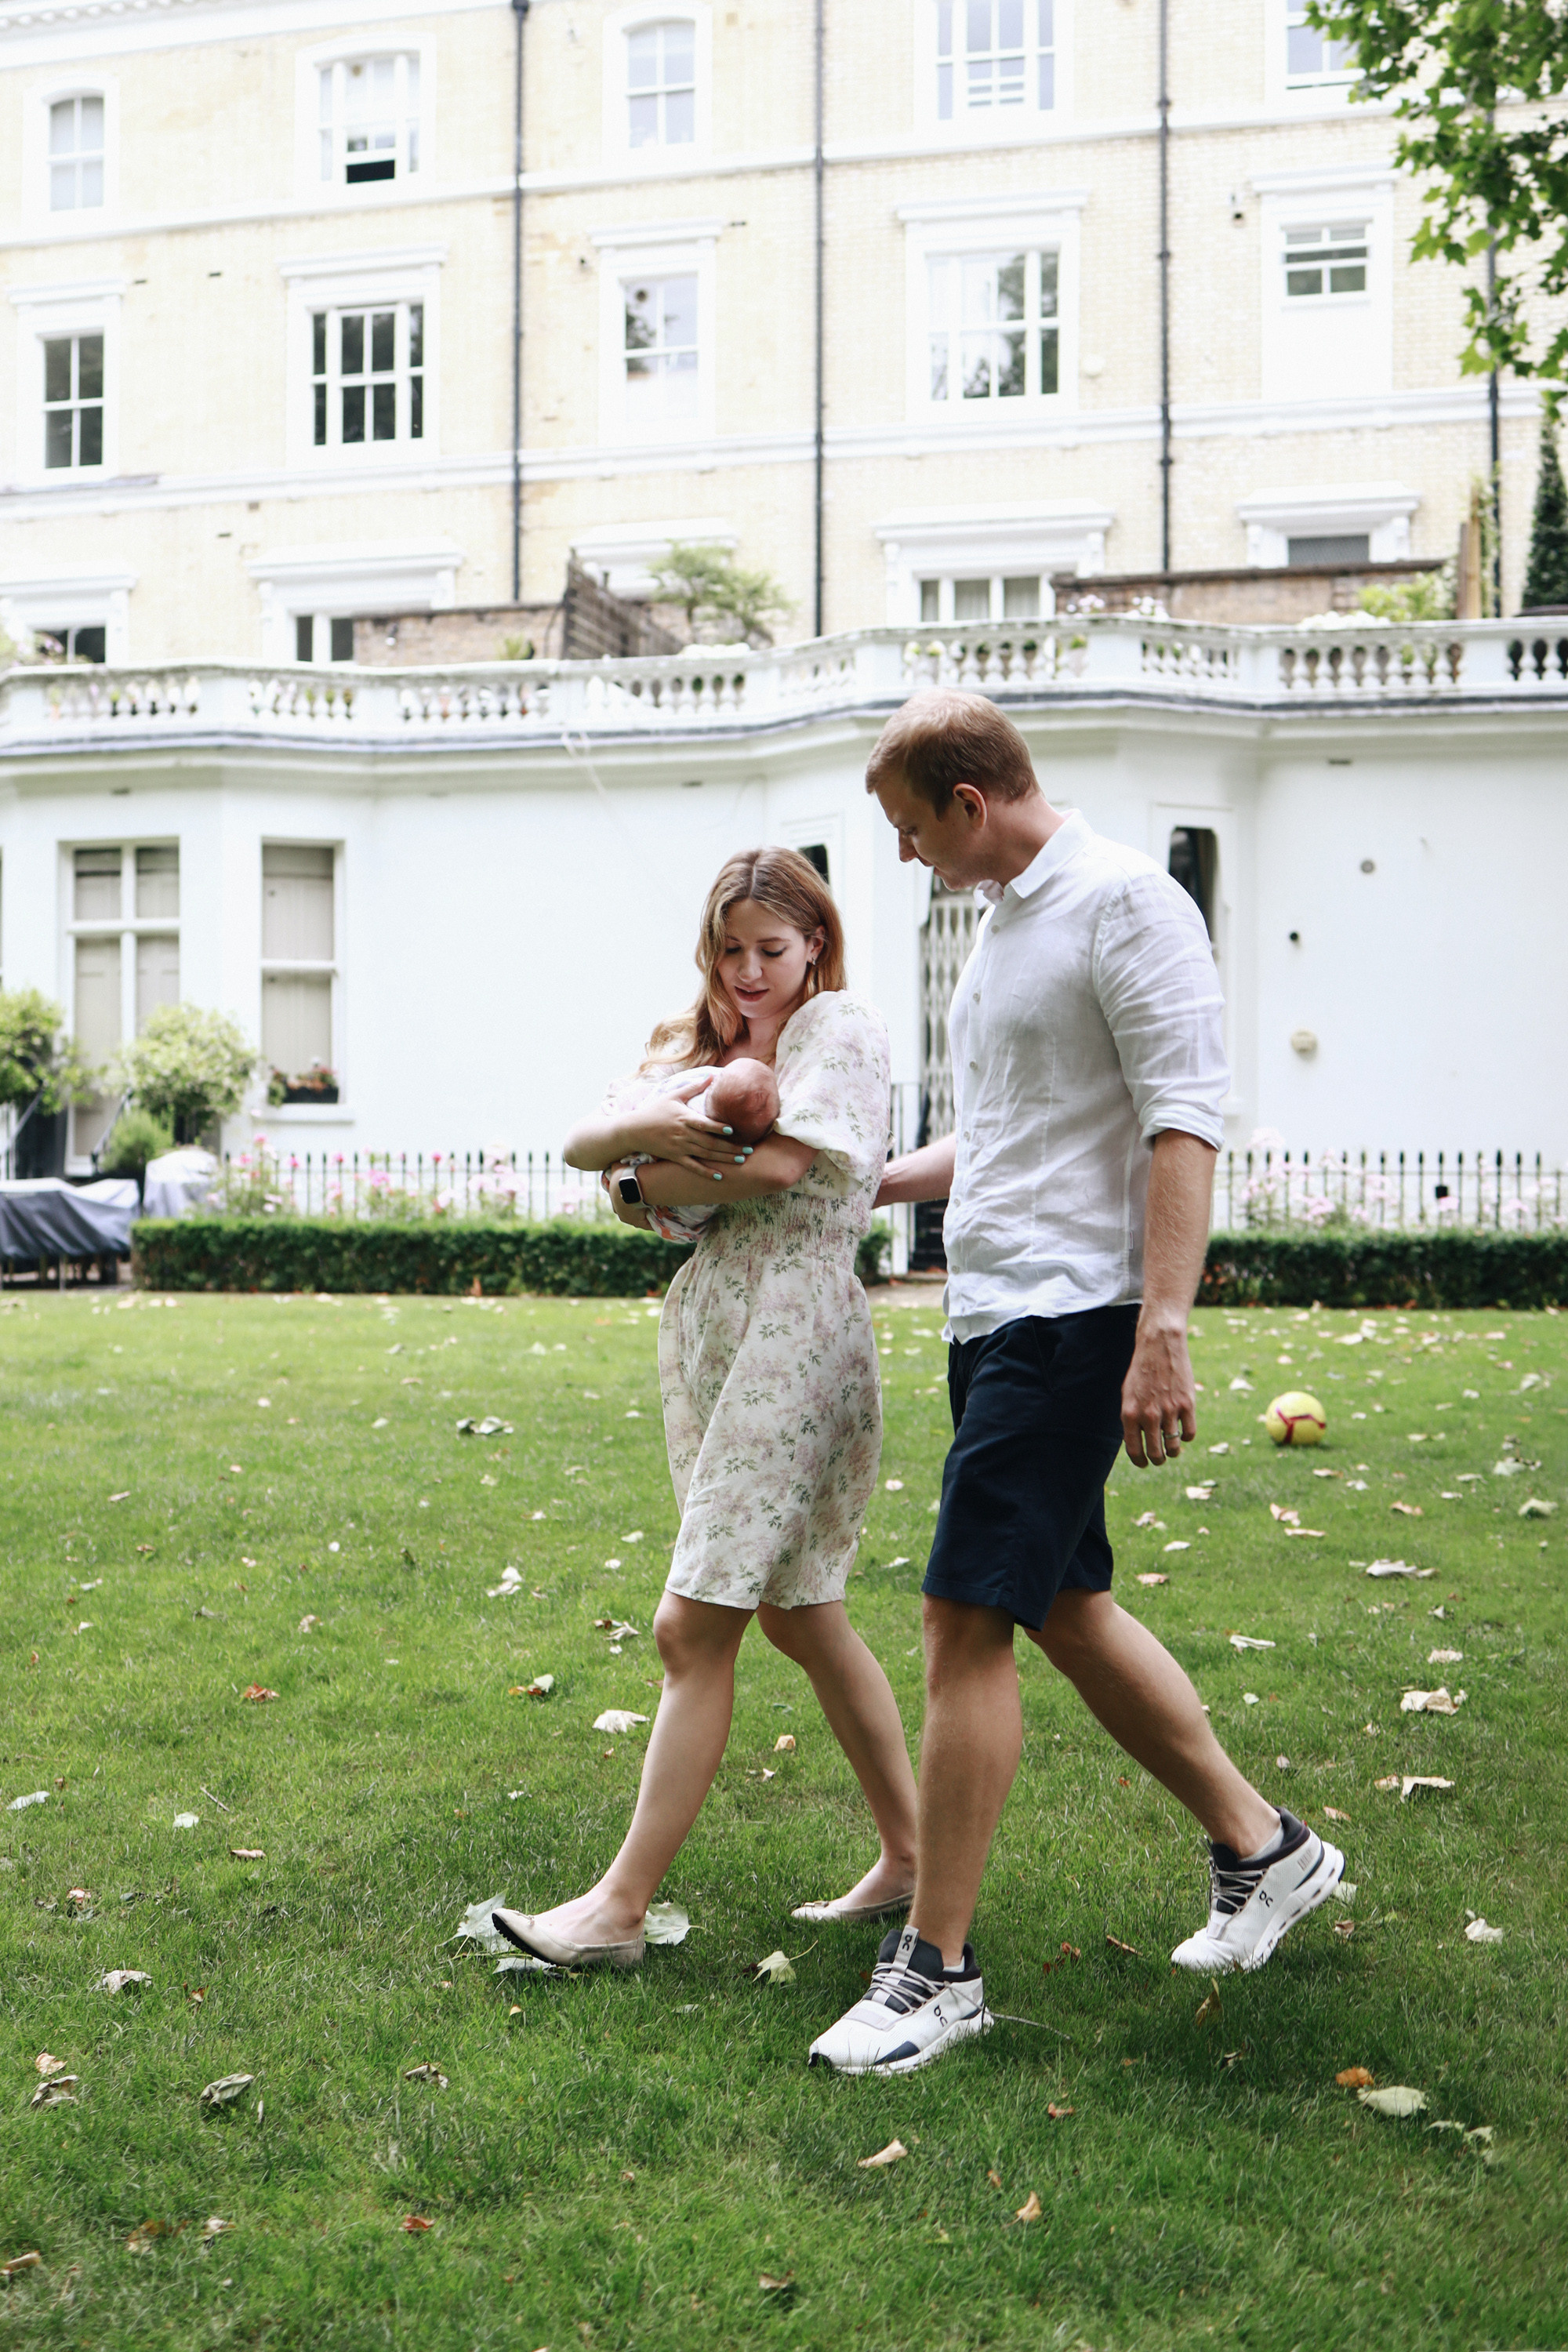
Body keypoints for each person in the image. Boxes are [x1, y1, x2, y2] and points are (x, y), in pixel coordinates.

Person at [809, 691, 1344, 2076]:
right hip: (993, 1317)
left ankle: (936, 1968)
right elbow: (996, 1141)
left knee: (960, 1615)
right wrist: (845, 1181)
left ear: (971, 803)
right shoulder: (1003, 929)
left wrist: (1165, 1323)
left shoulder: (1126, 905)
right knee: (1058, 1599)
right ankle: (1262, 1846)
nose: (915, 860)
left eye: (915, 833)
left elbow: (1185, 1117)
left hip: (1075, 1315)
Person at [492, 848, 919, 1971]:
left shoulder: (841, 1029)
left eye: (770, 949)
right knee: (799, 1611)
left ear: (815, 943)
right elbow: (601, 1161)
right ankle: (912, 1856)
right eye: (729, 950)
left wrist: (646, 1174)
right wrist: (641, 1174)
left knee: (695, 1624)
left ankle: (618, 1910)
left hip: (796, 1329)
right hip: (715, 1333)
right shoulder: (697, 1050)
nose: (746, 972)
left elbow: (777, 1173)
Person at [608, 1057, 780, 1242]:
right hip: (665, 1213)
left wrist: (621, 1178)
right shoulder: (736, 1153)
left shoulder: (696, 1082)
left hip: (630, 1157)